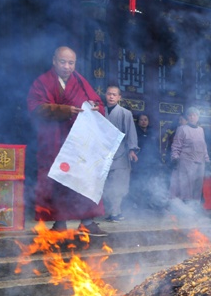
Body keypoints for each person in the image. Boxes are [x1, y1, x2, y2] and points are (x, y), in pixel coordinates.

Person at [26, 46, 107, 236]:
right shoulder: (43, 82)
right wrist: (63, 110)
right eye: (63, 62)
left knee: (83, 179)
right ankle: (59, 223)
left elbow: (97, 103)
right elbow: (35, 108)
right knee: (58, 181)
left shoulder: (80, 81)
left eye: (71, 63)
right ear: (54, 61)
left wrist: (95, 107)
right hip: (54, 140)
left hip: (78, 141)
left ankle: (87, 221)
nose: (67, 66)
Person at [102, 85, 138, 222]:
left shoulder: (125, 113)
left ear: (119, 97)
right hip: (103, 153)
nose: (111, 97)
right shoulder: (100, 111)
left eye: (114, 94)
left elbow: (131, 133)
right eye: (109, 94)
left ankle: (115, 212)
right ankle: (113, 211)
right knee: (105, 185)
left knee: (118, 184)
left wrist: (132, 150)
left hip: (121, 153)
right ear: (105, 95)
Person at [169, 107, 210, 203]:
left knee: (197, 185)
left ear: (198, 117)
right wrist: (175, 157)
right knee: (186, 185)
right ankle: (185, 207)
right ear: (187, 117)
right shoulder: (182, 129)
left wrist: (207, 159)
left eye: (194, 115)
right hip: (186, 161)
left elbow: (203, 146)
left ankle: (195, 207)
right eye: (190, 115)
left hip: (200, 161)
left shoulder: (201, 130)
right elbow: (176, 145)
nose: (192, 117)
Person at [131, 113, 165, 210]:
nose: (143, 121)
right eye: (141, 120)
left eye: (145, 119)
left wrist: (159, 160)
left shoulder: (152, 132)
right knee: (138, 183)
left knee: (149, 183)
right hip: (139, 162)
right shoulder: (135, 132)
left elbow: (155, 147)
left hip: (151, 163)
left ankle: (149, 204)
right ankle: (136, 204)